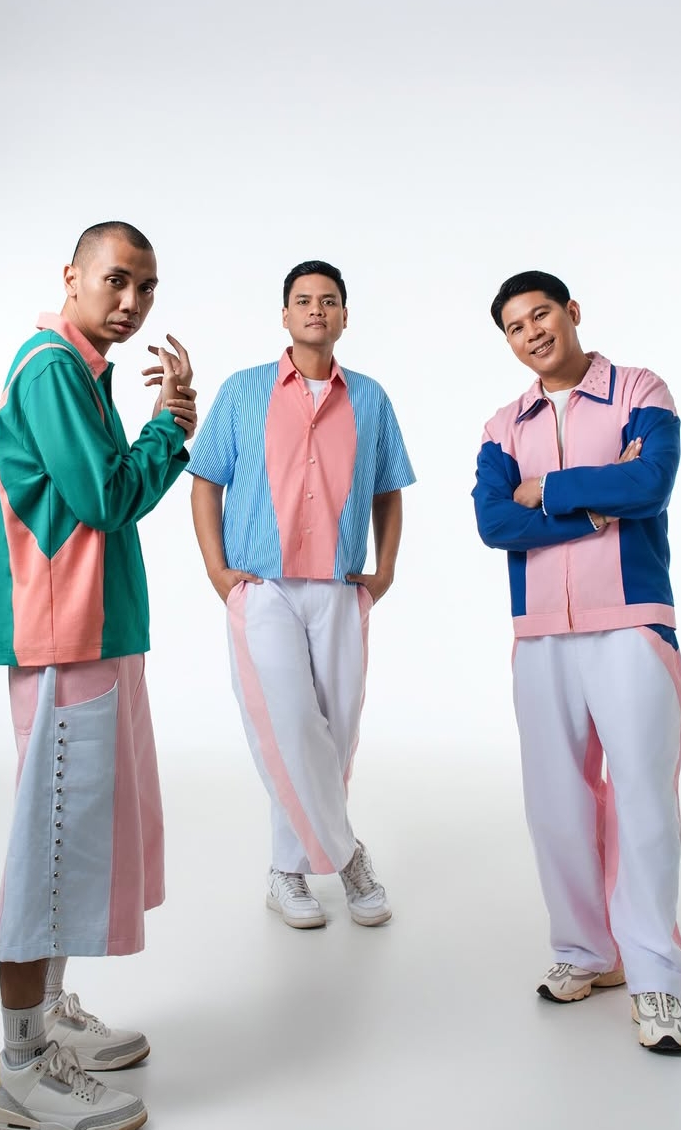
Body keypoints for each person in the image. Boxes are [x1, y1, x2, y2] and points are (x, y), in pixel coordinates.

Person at [0, 220, 197, 1130]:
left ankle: (50, 1017)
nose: (132, 302)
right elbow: (106, 498)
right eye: (117, 280)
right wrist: (168, 430)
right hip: (63, 639)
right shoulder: (52, 370)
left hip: (93, 633)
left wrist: (165, 432)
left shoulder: (82, 371)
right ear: (71, 276)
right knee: (49, 848)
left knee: (77, 842)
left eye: (147, 288)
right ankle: (21, 1070)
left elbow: (107, 493)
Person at [472, 270, 681, 1053]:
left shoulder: (640, 390)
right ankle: (587, 952)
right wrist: (597, 509)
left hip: (632, 623)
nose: (532, 332)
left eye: (542, 314)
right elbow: (494, 522)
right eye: (515, 326)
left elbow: (651, 482)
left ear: (571, 312)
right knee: (555, 803)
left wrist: (549, 490)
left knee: (643, 800)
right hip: (540, 634)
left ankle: (655, 976)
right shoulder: (504, 425)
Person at [187, 260, 415, 929]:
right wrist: (216, 570)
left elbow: (388, 491)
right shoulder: (242, 392)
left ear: (344, 316)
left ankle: (285, 870)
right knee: (288, 724)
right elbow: (206, 482)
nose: (317, 308)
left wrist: (386, 568)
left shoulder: (370, 398)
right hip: (264, 586)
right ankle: (347, 859)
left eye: (329, 300)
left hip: (339, 586)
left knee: (334, 733)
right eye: (304, 299)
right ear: (284, 315)